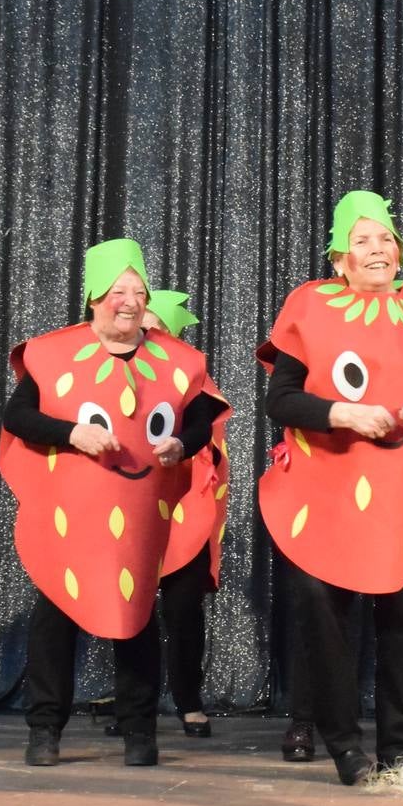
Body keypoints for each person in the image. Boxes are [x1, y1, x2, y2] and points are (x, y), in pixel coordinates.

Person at [258, 192, 403, 785]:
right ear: (339, 259)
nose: (376, 250)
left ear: (399, 251)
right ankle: (345, 746)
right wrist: (343, 414)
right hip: (325, 494)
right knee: (325, 620)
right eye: (361, 241)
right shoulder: (310, 305)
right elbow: (280, 398)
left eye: (384, 239)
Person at [0, 240, 228, 767]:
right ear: (94, 297)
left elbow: (199, 418)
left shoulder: (177, 360)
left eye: (138, 291)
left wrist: (182, 444)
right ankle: (45, 728)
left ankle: (140, 732)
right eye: (118, 291)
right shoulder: (52, 353)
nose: (129, 301)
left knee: (138, 615)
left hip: (143, 510)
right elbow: (18, 418)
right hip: (72, 514)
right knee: (56, 614)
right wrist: (72, 432)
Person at [145, 289, 229, 738]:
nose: (148, 332)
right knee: (131, 605)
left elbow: (210, 440)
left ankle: (189, 701)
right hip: (137, 502)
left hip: (187, 504)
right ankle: (133, 706)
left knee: (182, 609)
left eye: (157, 326)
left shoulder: (193, 379)